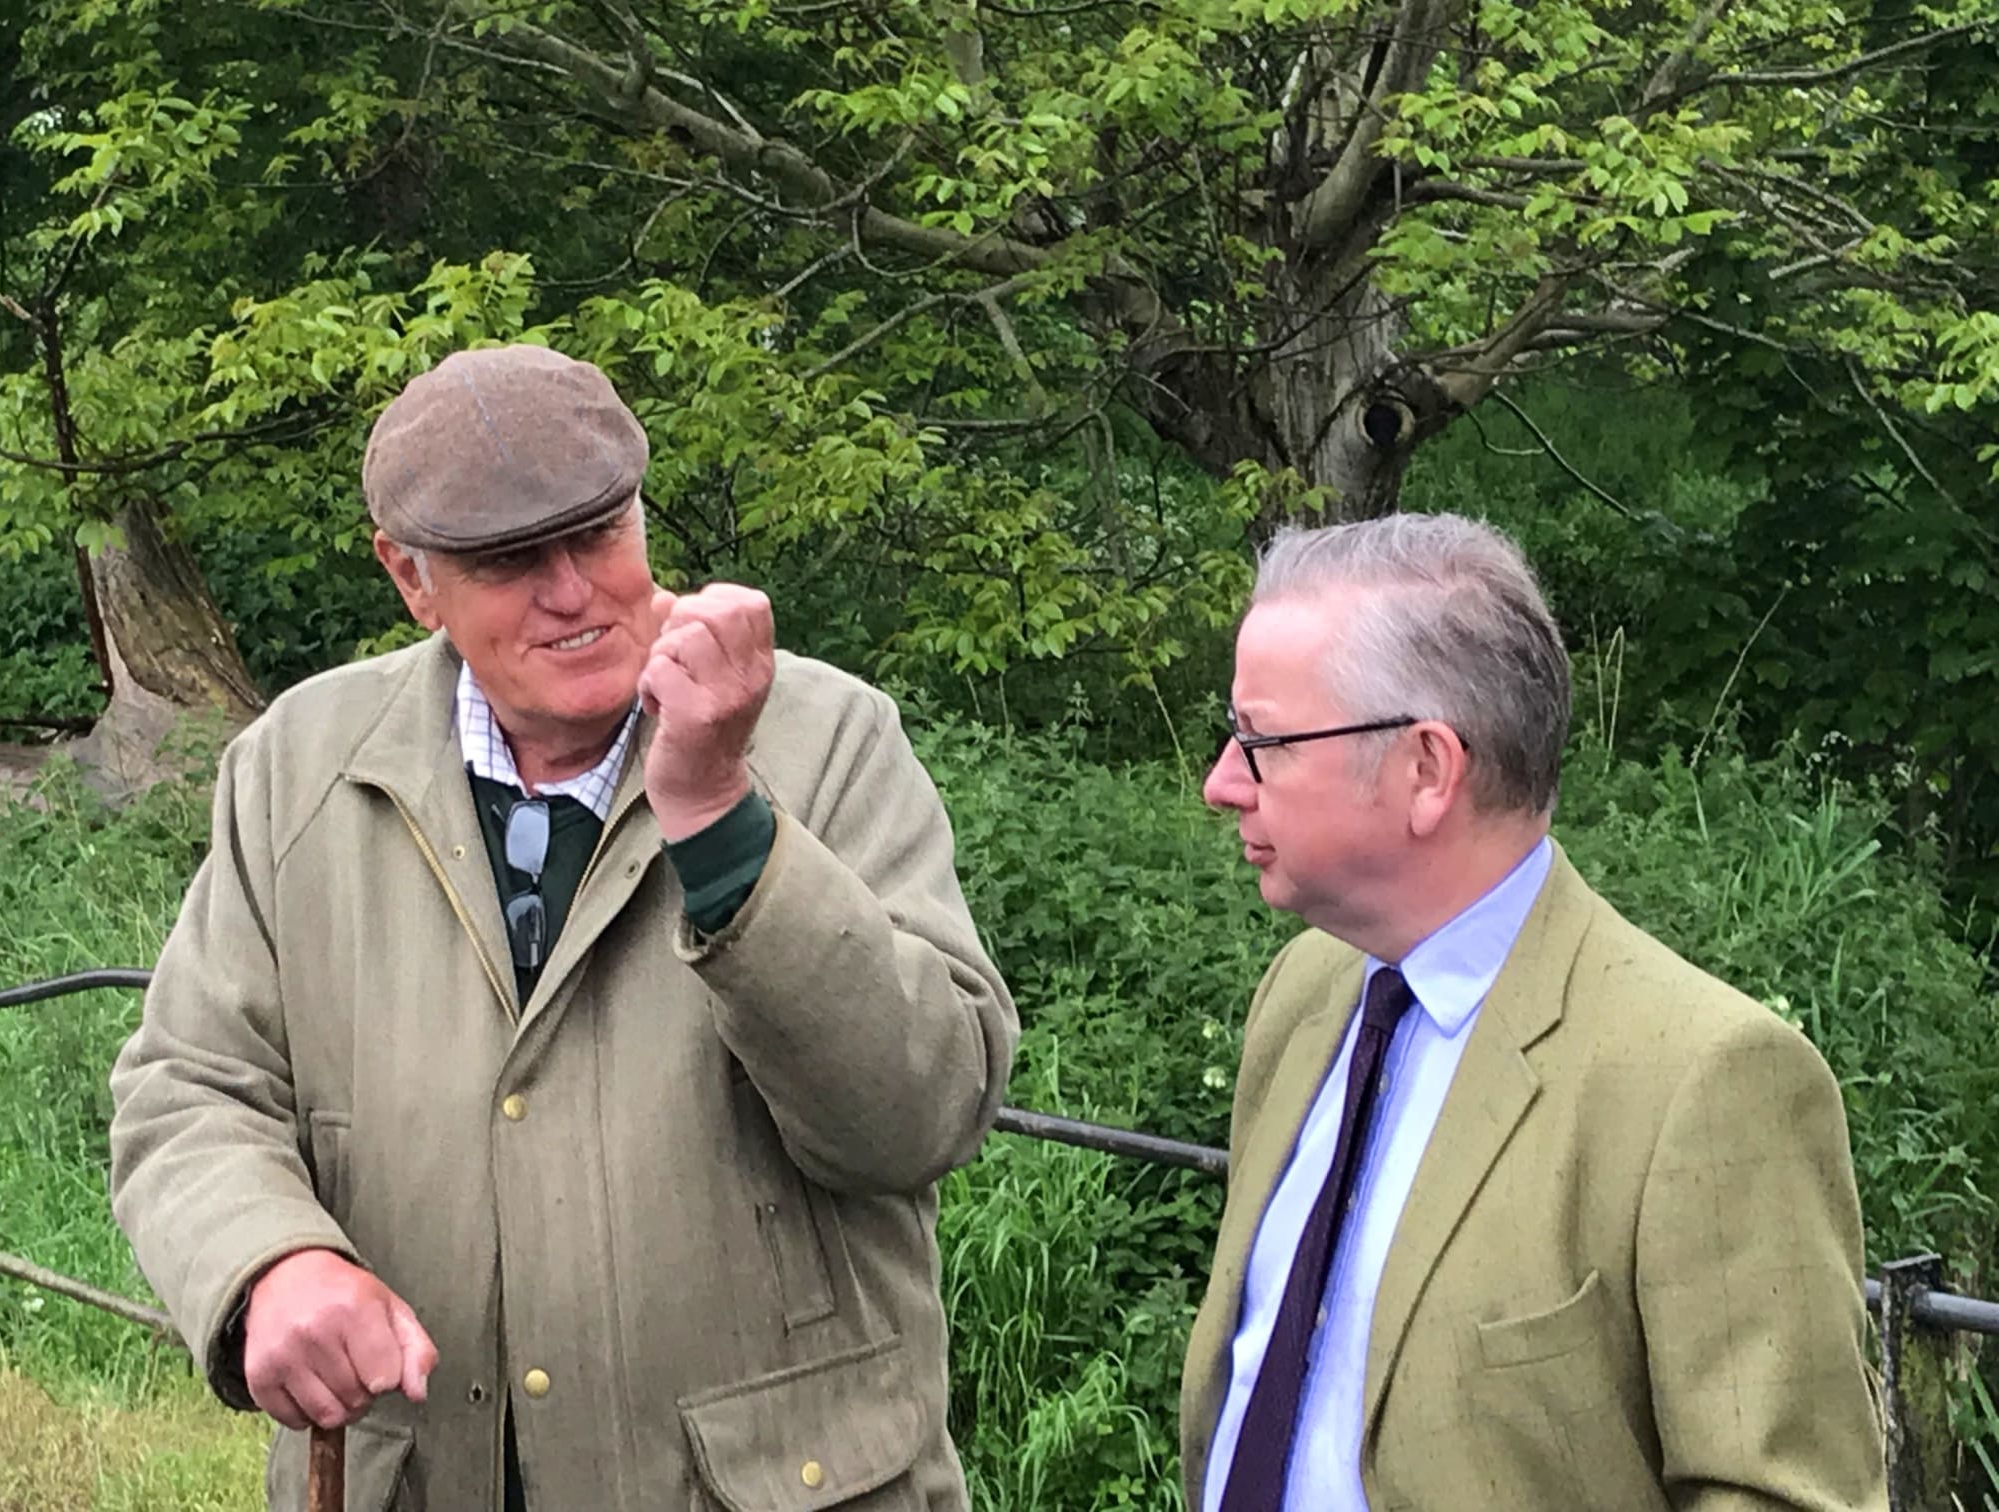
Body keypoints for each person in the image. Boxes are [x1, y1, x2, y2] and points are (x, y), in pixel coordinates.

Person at [109, 343, 1019, 1511]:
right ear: (410, 576)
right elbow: (189, 1086)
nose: (573, 591)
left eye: (597, 533)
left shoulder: (828, 742)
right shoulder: (297, 768)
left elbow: (919, 1115)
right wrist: (266, 1261)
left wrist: (722, 819)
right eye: (507, 560)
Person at [1179, 513, 1886, 1511]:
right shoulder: (1303, 997)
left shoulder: (1706, 1077)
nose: (1220, 785)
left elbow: (1782, 1495)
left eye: (1262, 743)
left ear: (1427, 768)